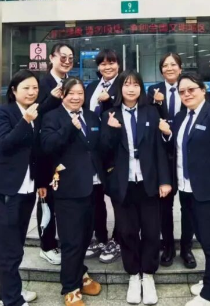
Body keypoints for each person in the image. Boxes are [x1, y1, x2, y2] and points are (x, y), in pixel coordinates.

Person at [159, 73, 210, 306]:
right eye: (182, 91)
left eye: (191, 89)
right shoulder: (181, 116)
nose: (186, 94)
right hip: (187, 190)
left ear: (203, 90)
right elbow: (177, 148)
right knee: (204, 239)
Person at [100, 70, 172, 305]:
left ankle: (148, 274)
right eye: (126, 85)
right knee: (127, 231)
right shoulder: (109, 114)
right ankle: (133, 274)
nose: (131, 89)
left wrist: (165, 180)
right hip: (123, 183)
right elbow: (104, 152)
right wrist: (111, 129)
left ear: (141, 88)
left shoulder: (150, 112)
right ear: (120, 88)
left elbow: (159, 149)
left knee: (151, 231)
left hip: (148, 181)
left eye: (135, 85)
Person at [40, 78, 104, 306]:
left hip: (92, 186)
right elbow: (47, 146)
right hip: (68, 188)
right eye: (71, 93)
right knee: (71, 240)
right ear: (63, 95)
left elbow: (97, 147)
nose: (76, 97)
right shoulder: (52, 117)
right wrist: (70, 126)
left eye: (80, 93)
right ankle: (70, 287)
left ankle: (80, 272)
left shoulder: (92, 116)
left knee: (85, 236)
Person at [0, 69, 42, 306]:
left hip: (27, 191)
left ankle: (10, 291)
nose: (31, 92)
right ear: (13, 90)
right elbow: (4, 144)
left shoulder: (36, 114)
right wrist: (25, 121)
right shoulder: (2, 112)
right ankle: (12, 300)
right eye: (26, 88)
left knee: (16, 246)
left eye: (35, 88)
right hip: (5, 192)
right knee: (8, 249)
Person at [147, 53, 196, 269]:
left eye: (173, 64)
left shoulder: (188, 88)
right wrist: (157, 103)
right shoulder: (153, 90)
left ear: (180, 68)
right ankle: (168, 247)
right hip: (163, 155)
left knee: (189, 206)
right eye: (165, 65)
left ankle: (186, 248)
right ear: (161, 70)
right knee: (164, 207)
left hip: (186, 155)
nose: (169, 68)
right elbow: (150, 117)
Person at [36, 43, 75, 266]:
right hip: (46, 153)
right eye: (63, 57)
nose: (67, 61)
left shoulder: (72, 83)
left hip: (68, 151)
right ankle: (47, 245)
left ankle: (66, 241)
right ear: (51, 58)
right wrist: (50, 99)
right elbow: (33, 116)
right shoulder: (40, 84)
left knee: (66, 199)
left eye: (70, 57)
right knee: (46, 199)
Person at [83, 49, 122, 264]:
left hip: (115, 150)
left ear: (118, 64)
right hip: (93, 151)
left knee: (118, 197)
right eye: (103, 64)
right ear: (98, 67)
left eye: (111, 62)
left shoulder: (124, 84)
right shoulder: (91, 87)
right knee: (95, 196)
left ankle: (118, 239)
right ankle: (100, 237)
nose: (107, 67)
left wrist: (110, 99)